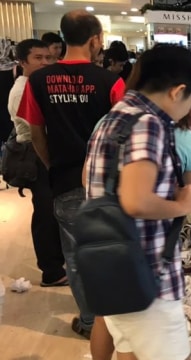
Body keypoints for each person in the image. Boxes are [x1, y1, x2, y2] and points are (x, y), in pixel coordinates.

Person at [85, 53, 191, 360]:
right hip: (146, 275)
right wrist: (181, 204)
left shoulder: (114, 116)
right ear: (177, 91)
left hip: (110, 266)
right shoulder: (149, 123)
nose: (188, 109)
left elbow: (89, 178)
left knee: (128, 351)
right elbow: (135, 201)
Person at [17, 9, 126, 343]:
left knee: (76, 258)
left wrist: (53, 165)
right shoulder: (111, 82)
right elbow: (124, 137)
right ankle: (117, 324)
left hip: (66, 181)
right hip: (108, 184)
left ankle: (92, 321)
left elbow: (35, 133)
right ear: (95, 39)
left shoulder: (38, 81)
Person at [8, 39, 67, 288]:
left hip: (41, 150)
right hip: (34, 153)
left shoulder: (35, 84)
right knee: (45, 213)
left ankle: (56, 264)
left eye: (48, 58)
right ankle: (51, 271)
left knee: (51, 211)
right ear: (22, 62)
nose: (45, 63)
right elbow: (35, 130)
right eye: (38, 58)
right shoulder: (23, 89)